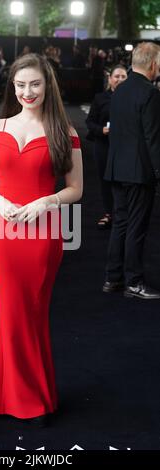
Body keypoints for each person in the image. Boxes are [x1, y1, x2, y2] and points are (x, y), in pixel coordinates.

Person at [0, 53, 83, 426]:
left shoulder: (64, 132)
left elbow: (76, 189)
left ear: (47, 85)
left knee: (31, 310)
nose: (27, 91)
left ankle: (15, 397)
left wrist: (46, 201)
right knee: (11, 308)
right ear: (13, 86)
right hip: (2, 232)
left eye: (34, 84)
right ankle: (24, 398)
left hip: (44, 234)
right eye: (20, 85)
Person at [103, 42, 160, 299]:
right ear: (153, 63)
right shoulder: (150, 93)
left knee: (121, 225)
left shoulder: (120, 90)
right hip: (139, 172)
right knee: (136, 227)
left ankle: (113, 279)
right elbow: (153, 138)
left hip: (116, 169)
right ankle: (134, 282)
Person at [86, 65, 127, 229]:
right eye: (117, 76)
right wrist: (101, 130)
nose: (120, 79)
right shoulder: (100, 98)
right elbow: (89, 122)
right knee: (105, 181)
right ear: (110, 79)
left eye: (124, 77)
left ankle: (122, 214)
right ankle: (109, 213)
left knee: (123, 181)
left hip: (125, 146)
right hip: (103, 145)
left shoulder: (131, 99)